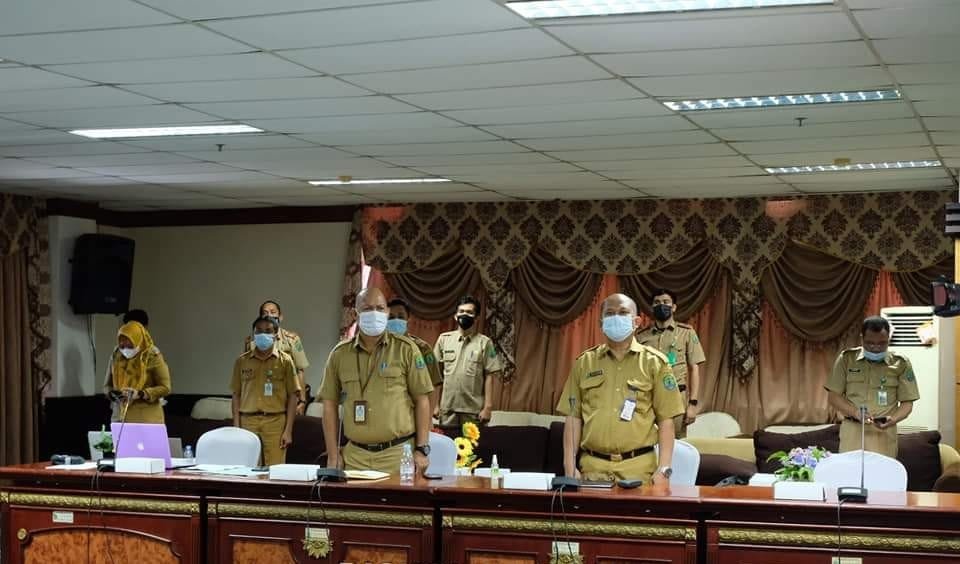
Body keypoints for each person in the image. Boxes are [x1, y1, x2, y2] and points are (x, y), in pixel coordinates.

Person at [557, 293, 684, 485]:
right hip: (592, 470)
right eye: (610, 313)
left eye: (623, 312)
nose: (616, 317)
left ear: (637, 322)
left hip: (639, 470)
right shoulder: (584, 363)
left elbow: (666, 421)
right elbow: (573, 417)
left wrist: (663, 470)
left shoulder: (655, 363)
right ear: (601, 323)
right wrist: (569, 466)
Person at [319, 287, 433, 474]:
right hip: (355, 456)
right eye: (367, 308)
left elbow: (422, 400)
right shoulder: (339, 354)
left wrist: (422, 449)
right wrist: (333, 455)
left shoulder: (406, 349)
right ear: (355, 314)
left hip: (398, 455)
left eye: (380, 308)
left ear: (387, 312)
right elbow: (329, 405)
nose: (374, 313)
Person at [825, 316, 919, 458]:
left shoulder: (901, 363)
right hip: (853, 430)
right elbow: (833, 397)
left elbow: (907, 404)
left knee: (882, 471)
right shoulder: (846, 359)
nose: (876, 348)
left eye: (882, 343)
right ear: (862, 339)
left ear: (888, 339)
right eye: (870, 343)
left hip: (884, 432)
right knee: (850, 470)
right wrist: (855, 413)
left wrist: (893, 419)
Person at [635, 289, 706, 438]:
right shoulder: (641, 336)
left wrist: (693, 404)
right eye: (657, 302)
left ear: (673, 307)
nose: (661, 305)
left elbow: (694, 368)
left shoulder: (686, 332)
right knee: (646, 441)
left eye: (666, 302)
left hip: (676, 397)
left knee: (676, 443)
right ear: (652, 307)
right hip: (647, 398)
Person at [231, 316, 299, 466]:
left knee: (275, 470)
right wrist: (236, 427)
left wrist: (288, 431)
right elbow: (236, 395)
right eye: (259, 331)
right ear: (253, 334)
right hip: (247, 422)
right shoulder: (242, 361)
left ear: (275, 335)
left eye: (268, 331)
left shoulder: (285, 361)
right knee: (248, 469)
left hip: (275, 422)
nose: (263, 334)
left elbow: (293, 396)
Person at [434, 296, 503, 427]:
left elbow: (489, 376)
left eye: (469, 312)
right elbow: (438, 376)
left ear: (476, 318)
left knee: (473, 441)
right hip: (448, 410)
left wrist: (487, 407)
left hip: (474, 412)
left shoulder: (485, 343)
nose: (464, 315)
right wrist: (436, 405)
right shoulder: (444, 340)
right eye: (461, 311)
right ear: (455, 316)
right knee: (448, 441)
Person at [243, 300, 310, 414]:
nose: (269, 315)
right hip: (260, 398)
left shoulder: (292, 339)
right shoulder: (253, 342)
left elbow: (300, 371)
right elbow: (246, 372)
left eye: (273, 312)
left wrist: (302, 401)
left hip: (287, 396)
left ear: (280, 317)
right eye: (265, 313)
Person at [103, 321, 171, 423]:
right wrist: (113, 394)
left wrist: (140, 394)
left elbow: (165, 388)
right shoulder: (116, 355)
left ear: (138, 340)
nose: (125, 349)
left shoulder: (152, 356)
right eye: (122, 346)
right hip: (120, 418)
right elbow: (107, 386)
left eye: (129, 346)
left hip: (146, 420)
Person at [386, 297, 443, 413]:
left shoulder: (422, 348)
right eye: (391, 317)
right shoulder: (379, 347)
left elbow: (434, 385)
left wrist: (428, 417)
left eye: (400, 317)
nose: (396, 320)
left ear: (408, 319)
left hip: (413, 414)